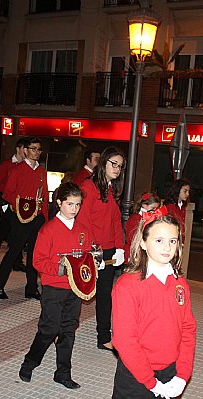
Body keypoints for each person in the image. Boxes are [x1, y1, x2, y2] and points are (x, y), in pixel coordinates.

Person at [109, 206, 196, 399]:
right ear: (142, 243)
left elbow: (188, 329)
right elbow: (124, 340)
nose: (167, 247)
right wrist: (151, 382)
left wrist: (182, 375)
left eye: (173, 241)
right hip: (135, 374)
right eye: (159, 240)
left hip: (170, 371)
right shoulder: (128, 285)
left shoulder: (180, 284)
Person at [18, 182, 95, 389]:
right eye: (70, 204)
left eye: (78, 205)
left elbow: (86, 257)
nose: (74, 209)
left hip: (74, 288)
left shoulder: (83, 231)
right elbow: (37, 261)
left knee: (68, 330)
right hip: (54, 287)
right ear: (59, 203)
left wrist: (92, 263)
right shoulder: (48, 230)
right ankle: (30, 362)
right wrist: (61, 268)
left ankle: (63, 373)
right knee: (49, 328)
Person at [76, 146, 126, 351]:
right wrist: (92, 248)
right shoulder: (88, 187)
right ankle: (61, 330)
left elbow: (115, 221)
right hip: (91, 250)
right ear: (103, 162)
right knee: (79, 291)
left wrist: (119, 248)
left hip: (107, 251)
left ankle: (104, 337)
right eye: (114, 164)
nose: (117, 168)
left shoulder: (111, 189)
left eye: (120, 166)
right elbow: (83, 221)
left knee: (105, 295)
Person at [0, 138, 48, 300]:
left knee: (33, 255)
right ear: (25, 150)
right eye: (33, 149)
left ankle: (31, 287)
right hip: (20, 218)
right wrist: (21, 208)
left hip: (37, 218)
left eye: (39, 149)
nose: (36, 152)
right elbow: (7, 194)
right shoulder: (17, 170)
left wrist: (44, 217)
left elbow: (44, 196)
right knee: (14, 252)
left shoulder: (41, 172)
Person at [0, 138, 27, 272]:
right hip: (8, 203)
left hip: (21, 205)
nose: (26, 152)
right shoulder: (7, 165)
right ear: (18, 149)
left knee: (18, 233)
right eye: (24, 149)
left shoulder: (26, 166)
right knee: (2, 232)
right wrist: (11, 193)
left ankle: (17, 262)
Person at [124, 192, 161, 264]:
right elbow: (133, 238)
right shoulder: (135, 218)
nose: (155, 211)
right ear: (144, 205)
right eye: (153, 208)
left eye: (156, 209)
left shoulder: (150, 218)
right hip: (134, 254)